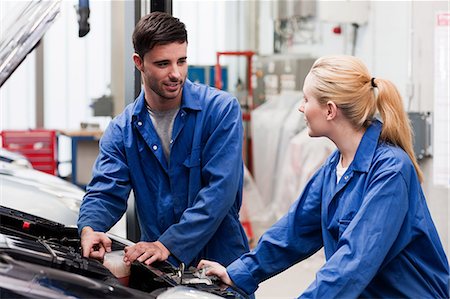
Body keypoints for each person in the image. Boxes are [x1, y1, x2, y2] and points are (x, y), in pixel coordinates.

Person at [198, 55, 450, 298]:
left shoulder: (391, 170)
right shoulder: (335, 166)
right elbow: (293, 232)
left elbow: (354, 262)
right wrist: (238, 273)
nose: (300, 107)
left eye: (306, 99)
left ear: (330, 110)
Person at [77, 11, 249, 268]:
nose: (176, 74)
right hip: (160, 269)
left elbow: (219, 192)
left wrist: (168, 244)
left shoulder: (220, 111)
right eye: (163, 64)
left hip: (221, 264)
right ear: (139, 62)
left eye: (181, 61)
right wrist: (90, 227)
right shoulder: (122, 130)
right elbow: (105, 191)